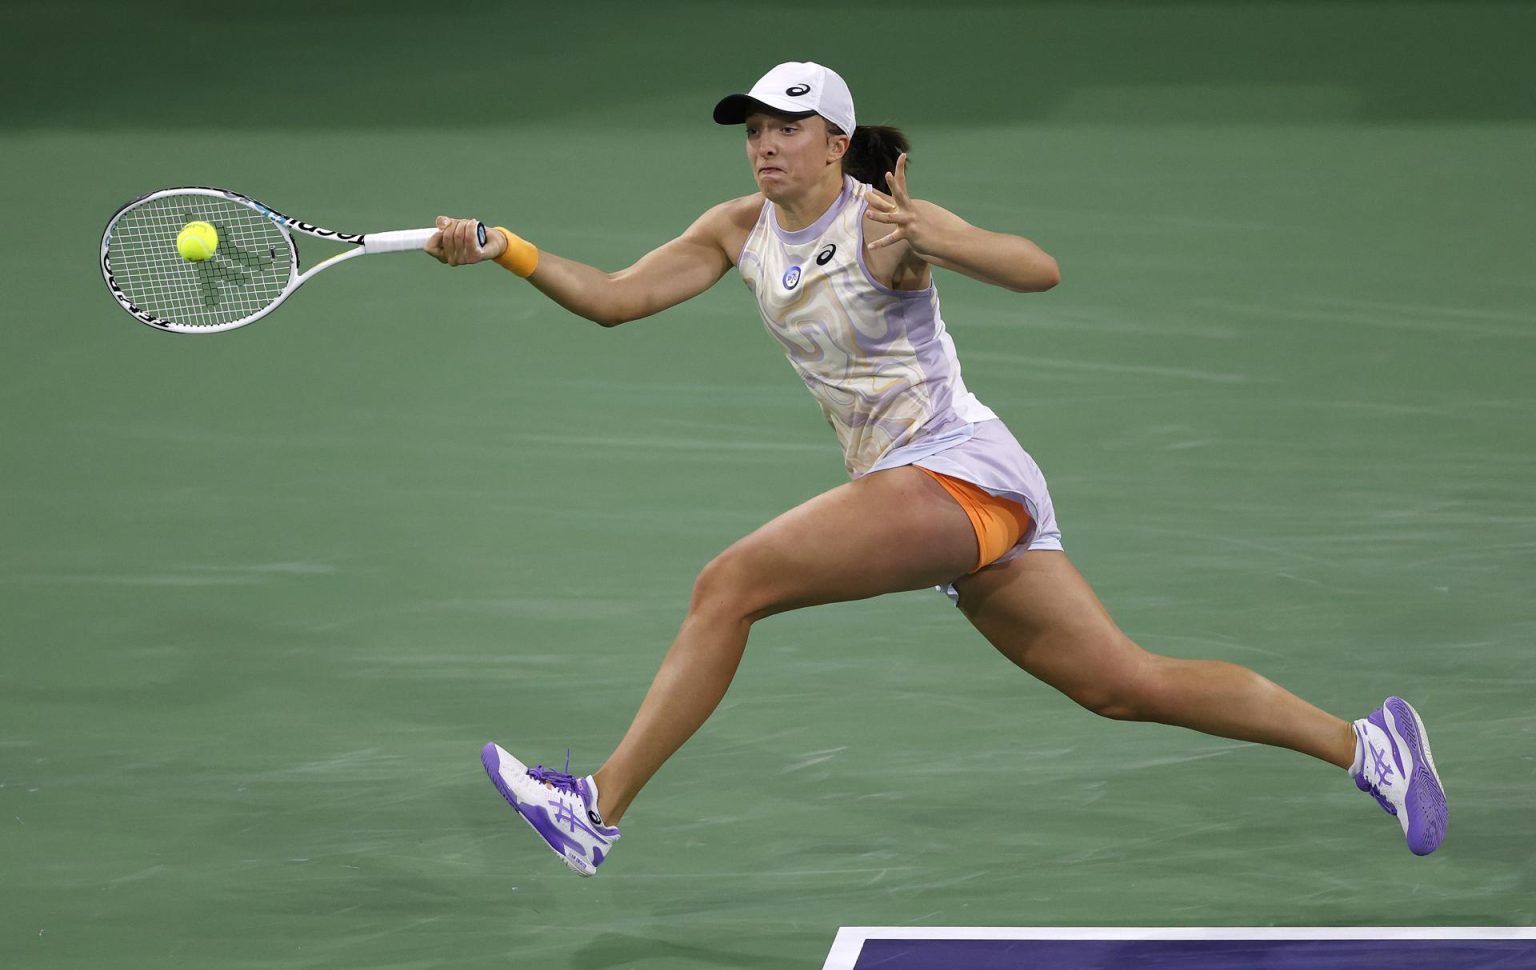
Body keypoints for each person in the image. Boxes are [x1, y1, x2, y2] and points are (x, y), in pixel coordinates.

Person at [427, 62, 1447, 876]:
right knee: (1123, 686)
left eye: (787, 128)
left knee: (728, 585)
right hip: (957, 496)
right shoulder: (735, 227)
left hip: (957, 471)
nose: (765, 145)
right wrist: (506, 246)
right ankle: (1369, 748)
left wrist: (937, 241)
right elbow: (614, 297)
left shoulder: (882, 222)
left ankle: (597, 809)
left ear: (835, 143)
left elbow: (1038, 269)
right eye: (753, 129)